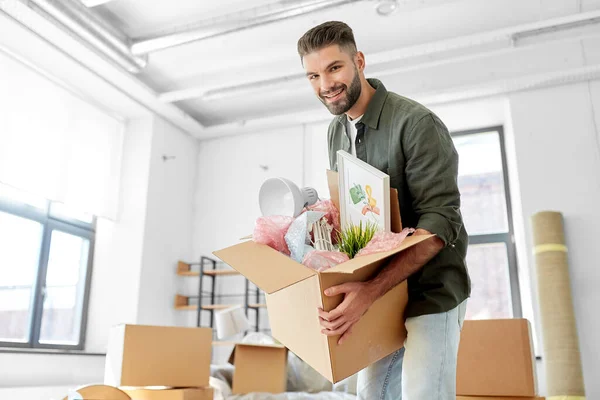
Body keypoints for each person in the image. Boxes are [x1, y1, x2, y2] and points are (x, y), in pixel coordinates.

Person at [296, 21, 471, 399]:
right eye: (313, 75)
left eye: (334, 68)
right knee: (372, 395)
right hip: (377, 293)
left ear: (358, 61)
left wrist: (369, 291)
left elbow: (440, 225)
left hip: (430, 290)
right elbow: (355, 214)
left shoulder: (415, 123)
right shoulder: (336, 131)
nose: (325, 84)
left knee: (423, 394)